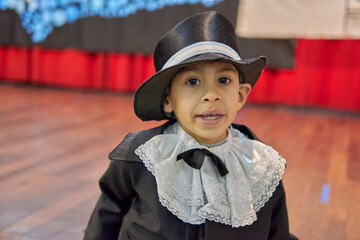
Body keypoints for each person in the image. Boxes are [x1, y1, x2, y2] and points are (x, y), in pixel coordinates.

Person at [84, 11, 298, 240]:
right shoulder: (140, 155)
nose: (211, 95)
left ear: (240, 94)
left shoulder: (262, 167)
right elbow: (107, 215)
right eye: (192, 81)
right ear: (168, 99)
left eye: (223, 80)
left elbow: (278, 234)